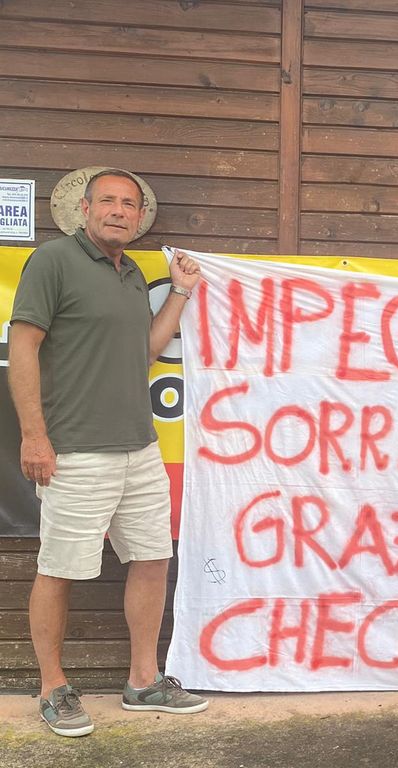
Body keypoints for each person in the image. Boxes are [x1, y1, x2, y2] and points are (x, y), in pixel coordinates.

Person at [8, 169, 208, 737]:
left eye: (129, 204)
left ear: (139, 217)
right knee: (60, 569)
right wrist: (34, 435)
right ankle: (53, 687)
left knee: (152, 558)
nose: (119, 211)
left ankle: (143, 681)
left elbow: (144, 351)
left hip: (139, 448)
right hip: (74, 450)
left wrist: (181, 292)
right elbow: (23, 347)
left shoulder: (130, 274)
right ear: (86, 208)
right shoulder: (52, 261)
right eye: (109, 201)